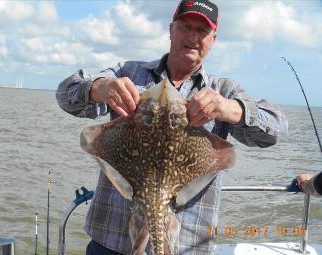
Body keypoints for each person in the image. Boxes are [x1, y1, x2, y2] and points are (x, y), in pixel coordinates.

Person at [56, 0, 288, 254]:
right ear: (171, 30)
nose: (192, 36)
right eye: (185, 27)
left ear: (214, 39)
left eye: (202, 31)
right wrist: (99, 88)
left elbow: (276, 130)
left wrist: (230, 109)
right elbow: (65, 94)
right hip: (110, 242)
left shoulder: (223, 91)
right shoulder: (127, 72)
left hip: (187, 246)